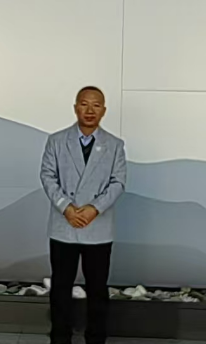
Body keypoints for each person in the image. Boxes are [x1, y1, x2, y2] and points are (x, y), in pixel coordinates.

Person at [40, 86, 127, 344]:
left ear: (104, 110)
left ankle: (96, 339)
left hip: (97, 228)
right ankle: (60, 338)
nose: (90, 110)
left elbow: (118, 182)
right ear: (75, 107)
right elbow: (47, 176)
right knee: (60, 288)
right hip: (64, 226)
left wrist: (94, 209)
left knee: (97, 290)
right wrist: (67, 207)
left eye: (96, 105)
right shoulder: (56, 141)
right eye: (84, 104)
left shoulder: (115, 145)